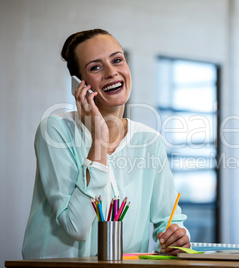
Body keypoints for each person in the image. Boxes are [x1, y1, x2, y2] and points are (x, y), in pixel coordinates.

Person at [22, 29, 190, 259]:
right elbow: (76, 227)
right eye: (96, 67)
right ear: (78, 85)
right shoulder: (55, 131)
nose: (112, 72)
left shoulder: (149, 141)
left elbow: (169, 222)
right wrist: (99, 140)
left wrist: (175, 237)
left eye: (117, 60)